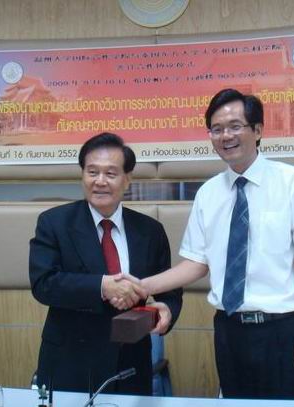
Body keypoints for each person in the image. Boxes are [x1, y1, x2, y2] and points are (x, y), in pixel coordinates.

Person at [115, 88, 294, 399]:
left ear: (258, 130)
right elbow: (196, 264)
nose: (225, 136)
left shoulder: (292, 182)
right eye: (216, 129)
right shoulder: (208, 194)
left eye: (234, 126)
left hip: (282, 330)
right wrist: (141, 286)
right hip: (229, 330)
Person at [29, 133, 182, 395]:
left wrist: (167, 309)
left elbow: (170, 291)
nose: (100, 181)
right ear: (82, 175)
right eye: (92, 172)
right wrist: (103, 286)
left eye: (110, 173)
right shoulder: (54, 223)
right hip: (71, 363)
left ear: (127, 179)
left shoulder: (150, 231)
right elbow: (44, 284)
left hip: (131, 365)